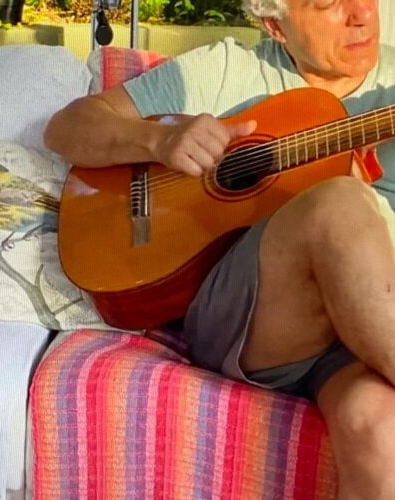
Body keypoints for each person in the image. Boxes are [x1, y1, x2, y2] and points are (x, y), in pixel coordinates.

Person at [44, 0, 395, 498]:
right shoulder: (227, 68)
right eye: (328, 4)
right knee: (338, 201)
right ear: (276, 26)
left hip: (368, 328)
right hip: (262, 318)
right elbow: (68, 128)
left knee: (376, 426)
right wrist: (157, 140)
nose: (360, 14)